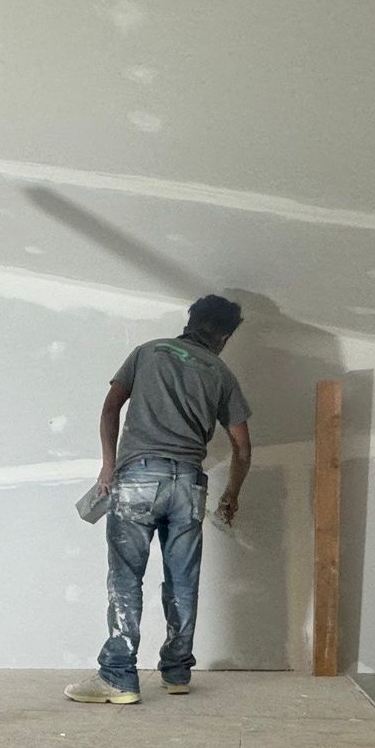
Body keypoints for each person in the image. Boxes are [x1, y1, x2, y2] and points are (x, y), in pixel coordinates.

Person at [65, 295, 252, 705]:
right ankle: (177, 671)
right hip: (188, 485)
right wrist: (231, 496)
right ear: (224, 336)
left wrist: (108, 466)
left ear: (191, 320)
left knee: (125, 578)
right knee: (183, 580)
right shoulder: (221, 372)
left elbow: (111, 408)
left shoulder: (147, 352)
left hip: (138, 478)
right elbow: (241, 447)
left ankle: (118, 677)